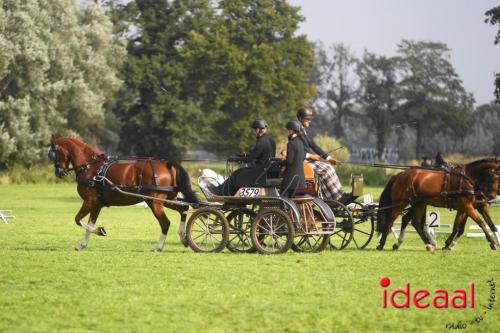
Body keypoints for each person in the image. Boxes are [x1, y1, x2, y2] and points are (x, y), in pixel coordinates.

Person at [210, 118, 276, 196]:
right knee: (238, 173)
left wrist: (236, 159)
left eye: (254, 130)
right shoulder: (271, 140)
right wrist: (243, 156)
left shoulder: (261, 141)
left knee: (236, 174)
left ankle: (220, 191)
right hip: (265, 170)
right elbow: (259, 155)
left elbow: (251, 159)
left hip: (258, 173)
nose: (254, 132)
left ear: (258, 129)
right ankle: (223, 190)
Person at [296, 107, 344, 201]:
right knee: (327, 169)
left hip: (307, 161)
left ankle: (337, 196)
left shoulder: (304, 131)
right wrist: (310, 155)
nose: (309, 121)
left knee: (329, 167)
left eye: (310, 119)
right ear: (300, 118)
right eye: (307, 118)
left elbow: (314, 146)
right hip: (301, 162)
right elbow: (296, 150)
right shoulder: (296, 132)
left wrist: (329, 158)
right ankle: (336, 198)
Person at [280, 120, 306, 198]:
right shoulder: (301, 143)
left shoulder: (291, 144)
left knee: (283, 198)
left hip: (290, 179)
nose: (288, 132)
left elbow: (289, 161)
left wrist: (280, 162)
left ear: (291, 130)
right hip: (300, 179)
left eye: (288, 130)